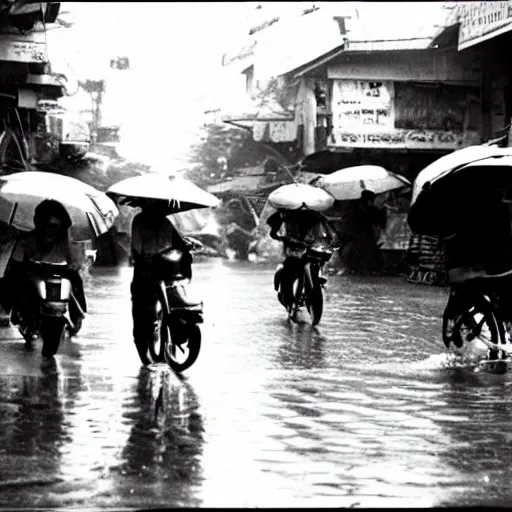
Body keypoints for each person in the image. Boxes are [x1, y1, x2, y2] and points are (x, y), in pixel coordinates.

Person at [0, 199, 87, 340]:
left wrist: (73, 266)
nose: (49, 230)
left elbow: (75, 264)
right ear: (38, 224)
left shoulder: (67, 240)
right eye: (46, 225)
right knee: (11, 284)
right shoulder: (26, 240)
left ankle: (77, 317)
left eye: (54, 226)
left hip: (61, 274)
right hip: (31, 274)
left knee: (76, 282)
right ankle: (23, 317)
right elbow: (15, 267)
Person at [441, 185, 512, 347]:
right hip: (477, 266)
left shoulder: (500, 213)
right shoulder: (468, 219)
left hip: (493, 264)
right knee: (461, 294)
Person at [130, 199, 195, 365]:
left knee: (173, 303)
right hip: (146, 270)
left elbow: (178, 244)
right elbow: (137, 248)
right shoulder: (140, 221)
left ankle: (168, 341)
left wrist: (187, 246)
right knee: (142, 312)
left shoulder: (166, 223)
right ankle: (145, 353)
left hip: (165, 269)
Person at [267, 207, 337, 308]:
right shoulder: (314, 214)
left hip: (306, 251)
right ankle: (291, 302)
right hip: (299, 251)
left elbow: (272, 226)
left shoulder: (288, 212)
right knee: (286, 275)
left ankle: (299, 297)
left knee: (288, 274)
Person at [340, 189, 387, 275]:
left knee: (368, 250)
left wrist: (381, 211)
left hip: (367, 234)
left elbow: (378, 221)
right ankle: (358, 267)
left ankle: (367, 268)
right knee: (358, 250)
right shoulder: (355, 208)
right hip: (357, 234)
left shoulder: (371, 210)